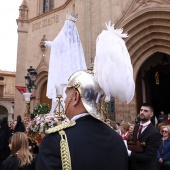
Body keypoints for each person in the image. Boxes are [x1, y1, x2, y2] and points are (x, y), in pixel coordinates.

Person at [36, 70, 128, 170]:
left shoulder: (56, 140)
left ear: (75, 97)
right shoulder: (117, 139)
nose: (64, 100)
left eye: (66, 95)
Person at [126, 103, 161, 170]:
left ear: (151, 114)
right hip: (135, 165)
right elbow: (135, 143)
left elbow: (148, 156)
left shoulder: (155, 133)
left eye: (146, 111)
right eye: (141, 110)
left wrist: (129, 153)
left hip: (147, 167)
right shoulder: (136, 127)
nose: (142, 112)